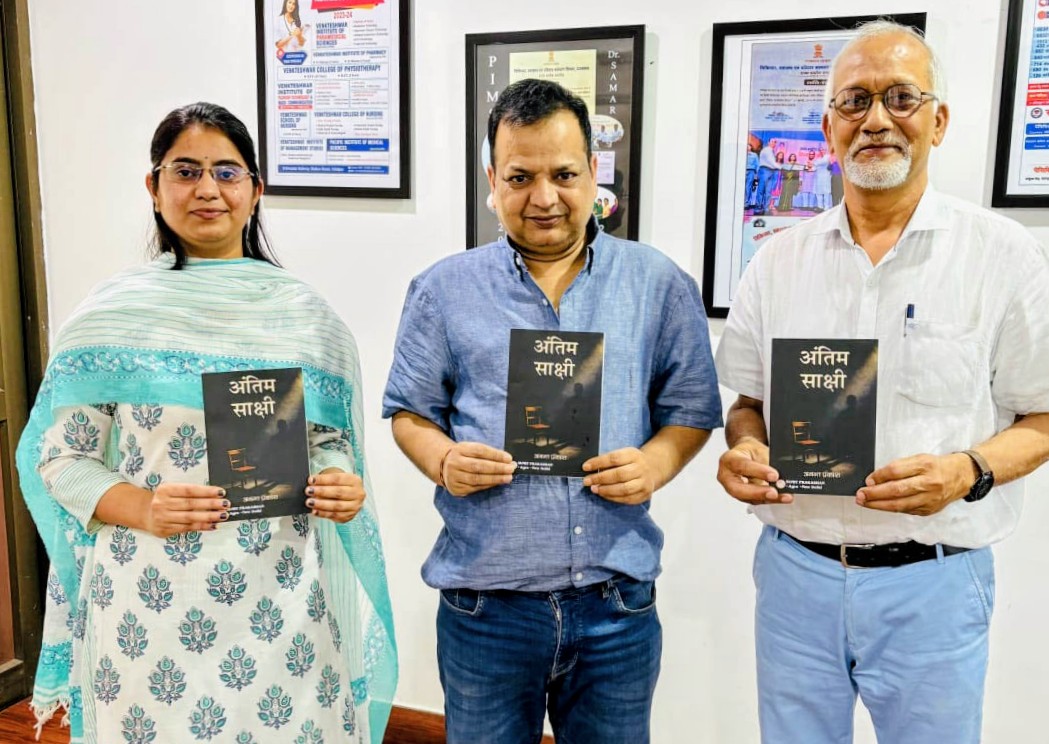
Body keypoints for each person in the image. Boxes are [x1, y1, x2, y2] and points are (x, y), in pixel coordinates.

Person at [17, 102, 397, 744]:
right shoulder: (110, 317)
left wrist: (338, 479)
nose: (207, 189)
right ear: (154, 186)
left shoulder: (304, 317)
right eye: (186, 170)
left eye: (226, 172)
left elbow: (327, 441)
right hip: (147, 607)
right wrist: (142, 506)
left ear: (255, 190)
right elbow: (61, 462)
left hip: (281, 602)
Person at [715, 21, 1049, 744]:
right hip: (795, 577)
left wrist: (967, 470)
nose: (875, 119)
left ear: (939, 120)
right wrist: (744, 449)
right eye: (853, 100)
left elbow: (1042, 417)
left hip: (932, 582)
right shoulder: (776, 262)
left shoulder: (1003, 256)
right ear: (828, 127)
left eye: (900, 97)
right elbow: (747, 403)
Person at [383, 78, 722, 744]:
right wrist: (443, 460)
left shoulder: (656, 284)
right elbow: (408, 411)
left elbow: (690, 407)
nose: (543, 197)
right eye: (520, 177)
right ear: (493, 180)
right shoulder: (444, 290)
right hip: (486, 608)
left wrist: (655, 464)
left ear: (594, 172)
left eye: (563, 174)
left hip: (615, 606)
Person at [754, 137, 779, 214]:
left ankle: (766, 208)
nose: (774, 143)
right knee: (761, 190)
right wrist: (781, 166)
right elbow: (771, 162)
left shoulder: (772, 151)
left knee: (768, 191)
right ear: (768, 142)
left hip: (771, 171)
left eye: (775, 142)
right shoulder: (766, 150)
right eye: (772, 141)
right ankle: (758, 208)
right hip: (764, 170)